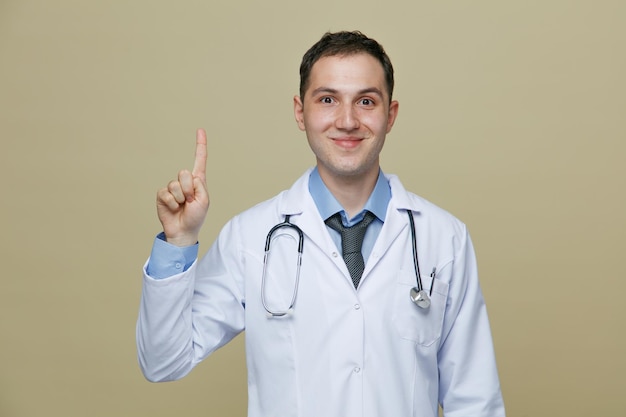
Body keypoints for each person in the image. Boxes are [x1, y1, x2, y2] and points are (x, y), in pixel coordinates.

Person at [137, 31, 506, 417]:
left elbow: (475, 400)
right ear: (300, 112)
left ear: (390, 115)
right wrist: (178, 242)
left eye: (366, 101)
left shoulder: (443, 238)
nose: (347, 121)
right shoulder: (250, 237)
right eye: (327, 100)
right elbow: (163, 361)